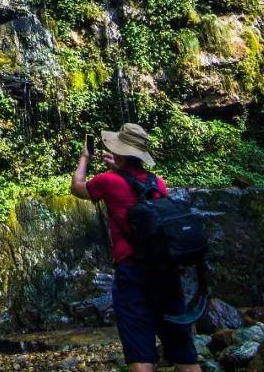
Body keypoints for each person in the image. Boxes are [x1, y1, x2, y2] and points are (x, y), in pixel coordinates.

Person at [70, 122, 201, 372]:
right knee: (184, 352)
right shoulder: (158, 183)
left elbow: (77, 188)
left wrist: (84, 158)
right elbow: (135, 189)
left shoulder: (108, 182)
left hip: (133, 273)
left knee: (140, 352)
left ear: (120, 152)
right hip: (166, 273)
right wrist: (119, 169)